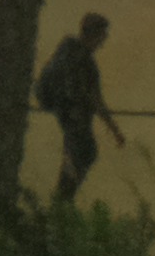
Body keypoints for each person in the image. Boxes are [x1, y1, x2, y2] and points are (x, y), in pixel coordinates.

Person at [37, 11, 125, 203]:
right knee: (85, 152)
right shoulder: (85, 62)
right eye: (102, 36)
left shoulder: (65, 50)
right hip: (74, 116)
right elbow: (96, 99)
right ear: (94, 35)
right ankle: (62, 201)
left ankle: (63, 198)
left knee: (81, 153)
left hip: (62, 111)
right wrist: (114, 129)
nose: (103, 42)